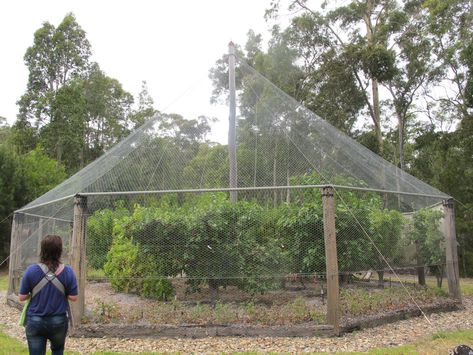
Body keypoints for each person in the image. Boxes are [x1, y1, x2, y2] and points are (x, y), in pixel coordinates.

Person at [19, 234, 78, 355]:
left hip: (35, 320)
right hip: (58, 321)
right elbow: (73, 297)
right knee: (57, 351)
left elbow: (22, 297)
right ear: (60, 251)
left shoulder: (31, 270)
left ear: (42, 250)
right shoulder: (68, 271)